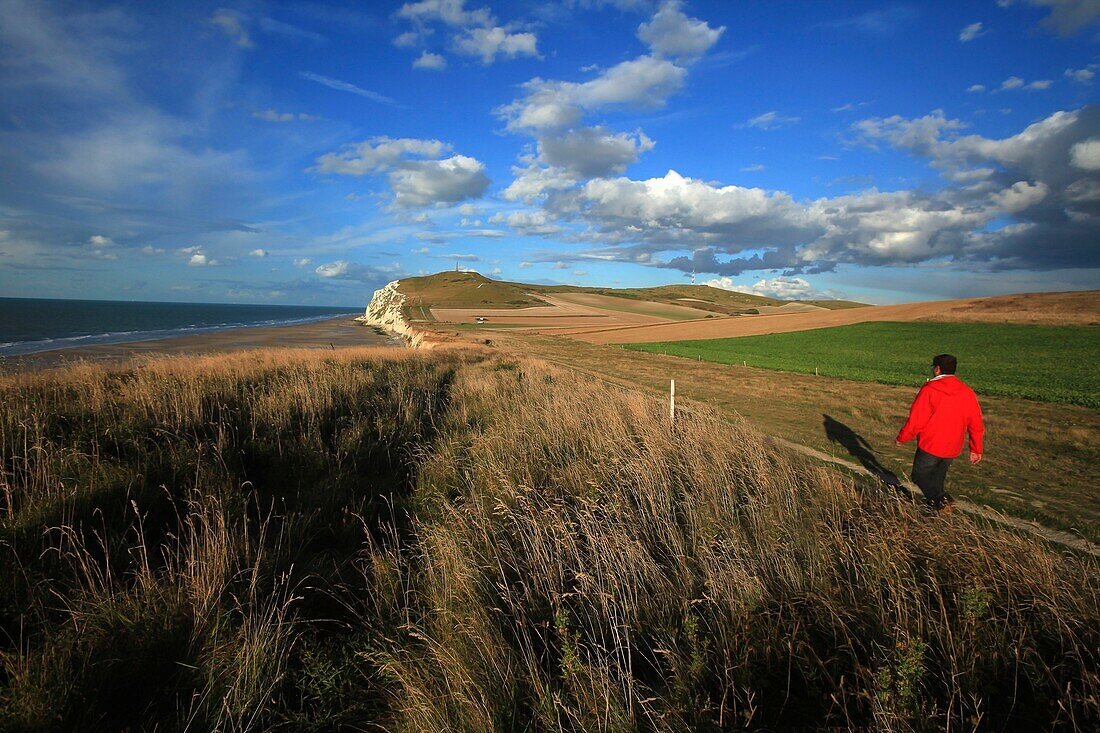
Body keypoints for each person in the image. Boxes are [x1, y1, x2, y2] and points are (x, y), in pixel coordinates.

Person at [896, 353, 984, 514]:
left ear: (937, 369)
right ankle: (934, 512)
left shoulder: (930, 390)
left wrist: (903, 437)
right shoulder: (967, 392)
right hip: (953, 447)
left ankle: (942, 502)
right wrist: (976, 448)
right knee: (937, 479)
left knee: (919, 476)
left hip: (930, 444)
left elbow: (917, 420)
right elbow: (976, 422)